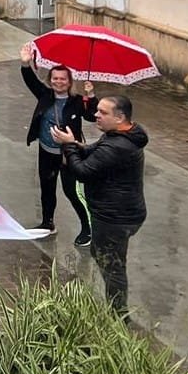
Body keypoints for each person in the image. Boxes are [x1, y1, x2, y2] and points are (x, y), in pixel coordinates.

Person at [52, 95, 148, 315]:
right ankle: (116, 308)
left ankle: (118, 315)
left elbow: (83, 172)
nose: (96, 114)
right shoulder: (119, 135)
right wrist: (74, 143)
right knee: (106, 256)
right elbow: (92, 151)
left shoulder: (118, 146)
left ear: (120, 117)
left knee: (112, 265)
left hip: (115, 217)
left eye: (103, 112)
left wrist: (68, 147)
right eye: (97, 110)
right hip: (119, 213)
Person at [19, 43, 98, 242]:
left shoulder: (78, 101)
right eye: (55, 78)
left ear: (70, 82)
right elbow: (30, 80)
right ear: (50, 80)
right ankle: (48, 223)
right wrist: (25, 63)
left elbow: (91, 116)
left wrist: (91, 95)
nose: (59, 82)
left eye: (63, 79)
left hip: (69, 154)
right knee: (47, 188)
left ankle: (88, 229)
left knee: (72, 192)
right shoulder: (45, 95)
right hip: (46, 152)